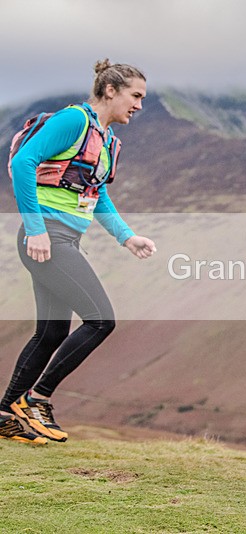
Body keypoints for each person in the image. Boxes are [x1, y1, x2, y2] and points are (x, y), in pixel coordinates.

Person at [0, 59, 156, 445]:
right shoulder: (73, 121)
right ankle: (36, 399)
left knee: (51, 332)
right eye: (135, 96)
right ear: (110, 91)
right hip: (46, 236)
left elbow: (96, 192)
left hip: (64, 238)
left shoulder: (104, 139)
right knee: (101, 320)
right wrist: (36, 229)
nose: (138, 105)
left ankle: (4, 413)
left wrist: (126, 236)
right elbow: (23, 163)